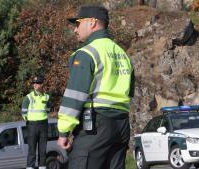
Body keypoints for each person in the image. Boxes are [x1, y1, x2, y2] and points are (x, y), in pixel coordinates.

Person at [57, 5, 135, 169]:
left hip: (95, 126)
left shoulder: (87, 53)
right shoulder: (122, 54)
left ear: (92, 22)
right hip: (121, 126)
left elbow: (75, 95)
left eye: (77, 24)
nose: (75, 30)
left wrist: (64, 131)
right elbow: (130, 92)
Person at [21, 75, 50, 169]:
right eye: (34, 83)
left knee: (43, 150)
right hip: (32, 125)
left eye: (37, 83)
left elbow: (48, 110)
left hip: (43, 125)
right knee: (32, 150)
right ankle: (30, 167)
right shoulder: (28, 97)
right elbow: (24, 112)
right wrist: (29, 121)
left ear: (42, 84)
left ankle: (42, 167)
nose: (35, 85)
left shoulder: (46, 97)